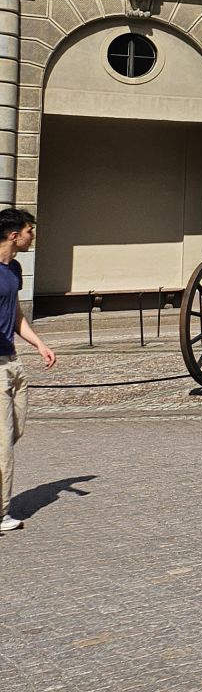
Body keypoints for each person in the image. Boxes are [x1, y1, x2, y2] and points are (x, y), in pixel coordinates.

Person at [1, 208, 54, 534]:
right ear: (13, 234)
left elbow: (17, 314)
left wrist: (39, 344)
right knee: (2, 443)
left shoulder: (14, 269)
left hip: (13, 362)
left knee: (16, 429)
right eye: (29, 231)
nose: (32, 236)